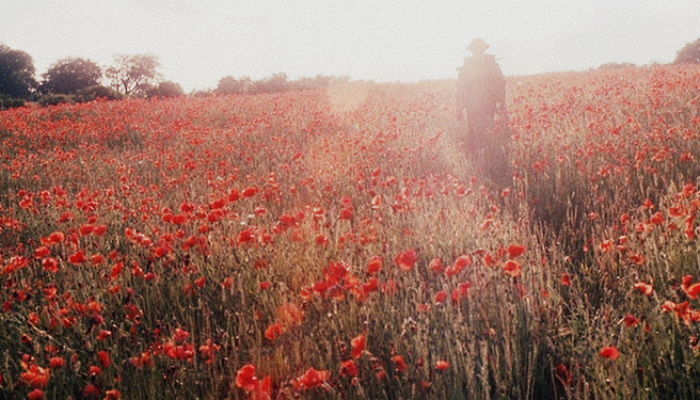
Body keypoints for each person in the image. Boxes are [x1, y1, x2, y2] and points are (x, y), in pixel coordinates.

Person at [456, 38, 509, 186]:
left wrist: (502, 104)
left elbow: (501, 85)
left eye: (479, 49)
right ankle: (477, 167)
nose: (477, 52)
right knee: (474, 134)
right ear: (473, 51)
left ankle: (486, 166)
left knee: (485, 133)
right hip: (474, 107)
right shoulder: (473, 68)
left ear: (482, 50)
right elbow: (460, 89)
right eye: (476, 49)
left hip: (486, 106)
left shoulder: (490, 66)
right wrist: (459, 108)